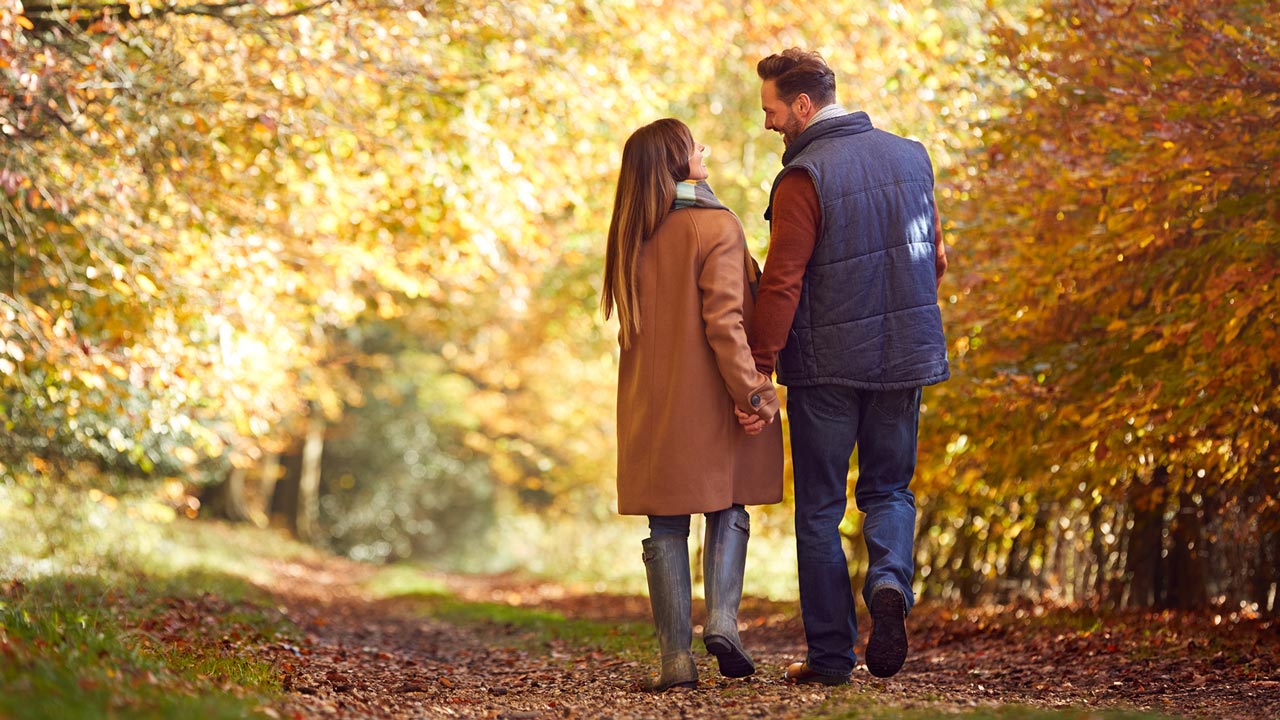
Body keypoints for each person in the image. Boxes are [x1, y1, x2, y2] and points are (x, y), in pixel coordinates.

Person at [742, 49, 949, 684]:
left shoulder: (805, 176)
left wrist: (756, 368)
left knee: (820, 513)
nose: (769, 124)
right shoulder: (912, 157)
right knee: (889, 490)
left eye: (772, 110)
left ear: (803, 105)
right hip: (905, 356)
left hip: (826, 368)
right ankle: (888, 581)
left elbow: (783, 283)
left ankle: (831, 659)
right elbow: (936, 260)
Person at [602, 118, 784, 692]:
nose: (703, 149)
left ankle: (674, 659)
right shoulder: (716, 226)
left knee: (666, 521)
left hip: (650, 406)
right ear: (674, 162)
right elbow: (726, 324)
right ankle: (724, 622)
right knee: (726, 505)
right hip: (712, 397)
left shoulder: (631, 234)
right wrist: (753, 392)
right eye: (692, 145)